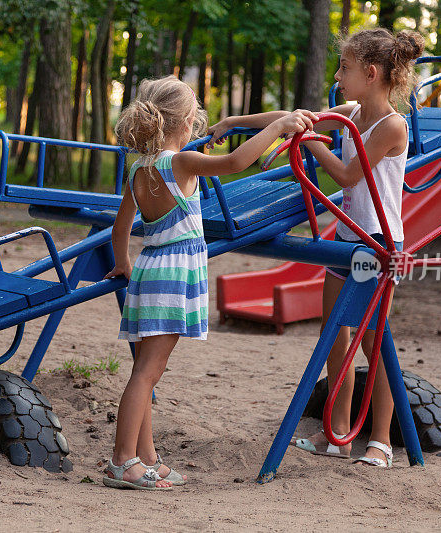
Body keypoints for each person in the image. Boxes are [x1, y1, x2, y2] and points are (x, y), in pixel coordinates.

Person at [207, 28, 425, 468]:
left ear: (371, 72)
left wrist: (308, 142)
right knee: (334, 338)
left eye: (345, 68)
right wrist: (233, 123)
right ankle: (340, 435)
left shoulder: (392, 125)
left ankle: (380, 440)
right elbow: (295, 116)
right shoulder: (353, 111)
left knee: (373, 342)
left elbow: (347, 175)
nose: (338, 76)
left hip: (377, 242)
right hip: (347, 237)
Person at [104, 75, 313, 489]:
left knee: (145, 371)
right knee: (147, 372)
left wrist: (123, 263)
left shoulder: (138, 170)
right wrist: (278, 128)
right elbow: (236, 163)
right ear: (185, 123)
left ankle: (146, 458)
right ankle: (122, 461)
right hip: (173, 277)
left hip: (149, 272)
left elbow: (120, 227)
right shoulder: (179, 163)